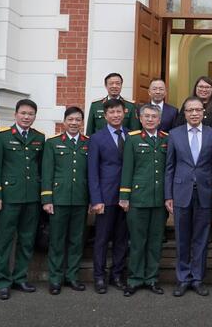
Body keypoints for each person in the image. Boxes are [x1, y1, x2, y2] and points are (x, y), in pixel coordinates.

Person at [0, 99, 45, 300]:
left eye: (30, 114)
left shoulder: (39, 137)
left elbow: (40, 167)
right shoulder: (1, 136)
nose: (26, 117)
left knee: (27, 239)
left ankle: (20, 277)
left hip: (31, 197)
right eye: (23, 113)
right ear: (16, 114)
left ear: (34, 116)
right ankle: (2, 282)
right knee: (4, 241)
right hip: (9, 197)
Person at [165, 96, 212, 297]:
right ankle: (183, 278)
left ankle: (197, 278)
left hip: (205, 192)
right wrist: (167, 195)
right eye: (190, 110)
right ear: (185, 113)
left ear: (203, 112)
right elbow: (169, 167)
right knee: (182, 238)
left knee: (201, 238)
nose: (195, 113)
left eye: (198, 110)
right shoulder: (174, 134)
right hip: (180, 193)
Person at [119, 105, 169, 296]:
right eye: (146, 116)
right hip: (138, 198)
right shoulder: (132, 139)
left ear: (159, 119)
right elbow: (127, 168)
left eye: (153, 116)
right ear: (140, 119)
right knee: (138, 241)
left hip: (159, 199)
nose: (150, 119)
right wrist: (124, 195)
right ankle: (134, 279)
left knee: (155, 241)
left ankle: (152, 279)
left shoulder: (166, 138)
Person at [41, 106, 90, 295]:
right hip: (59, 199)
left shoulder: (88, 143)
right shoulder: (52, 143)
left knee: (76, 240)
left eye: (78, 120)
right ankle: (55, 279)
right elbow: (47, 173)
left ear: (82, 123)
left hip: (80, 199)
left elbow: (90, 173)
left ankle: (72, 277)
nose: (74, 123)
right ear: (64, 121)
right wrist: (47, 198)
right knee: (57, 240)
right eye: (71, 119)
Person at [87, 98, 129, 294]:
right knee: (102, 239)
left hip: (127, 197)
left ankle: (117, 275)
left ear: (124, 112)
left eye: (118, 111)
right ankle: (99, 276)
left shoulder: (132, 135)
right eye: (111, 112)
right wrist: (96, 199)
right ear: (105, 116)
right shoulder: (96, 138)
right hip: (105, 197)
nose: (115, 115)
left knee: (122, 239)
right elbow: (92, 171)